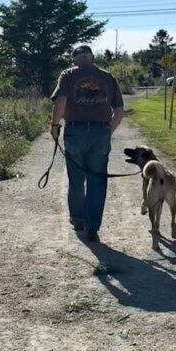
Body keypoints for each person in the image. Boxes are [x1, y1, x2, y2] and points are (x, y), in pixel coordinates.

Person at [50, 46, 124, 241]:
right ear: (91, 58)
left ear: (74, 59)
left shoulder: (67, 75)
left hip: (75, 131)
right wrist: (108, 131)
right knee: (97, 180)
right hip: (100, 132)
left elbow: (61, 101)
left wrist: (54, 125)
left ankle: (78, 219)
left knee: (76, 179)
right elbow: (119, 110)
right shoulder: (107, 76)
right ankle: (92, 227)